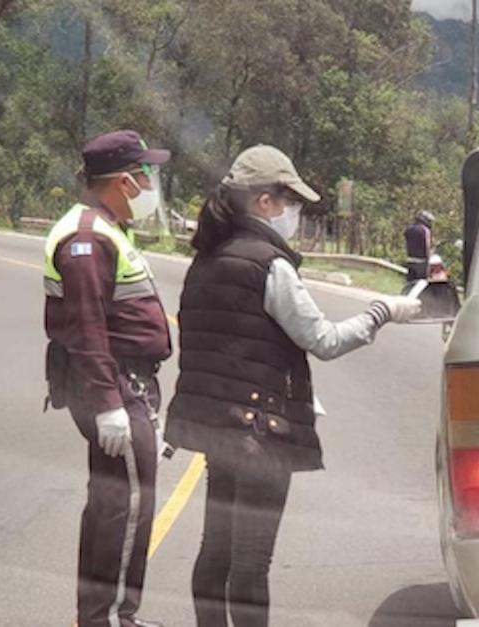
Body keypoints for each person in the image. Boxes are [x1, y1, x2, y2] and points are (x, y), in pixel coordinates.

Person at [165, 145, 422, 627]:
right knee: (251, 561)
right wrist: (383, 311)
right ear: (265, 202)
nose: (294, 213)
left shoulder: (206, 258)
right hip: (261, 432)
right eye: (290, 201)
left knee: (214, 549)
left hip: (217, 428)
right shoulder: (269, 265)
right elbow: (322, 340)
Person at [43, 129, 172, 627]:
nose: (149, 183)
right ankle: (114, 617)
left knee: (110, 504)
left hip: (119, 382)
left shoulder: (104, 228)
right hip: (116, 384)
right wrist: (108, 404)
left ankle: (99, 616)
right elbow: (87, 326)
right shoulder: (87, 239)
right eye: (145, 174)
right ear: (124, 181)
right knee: (128, 507)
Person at [404, 210, 434, 282]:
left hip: (410, 259)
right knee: (421, 283)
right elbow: (427, 246)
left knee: (410, 282)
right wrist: (429, 259)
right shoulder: (425, 230)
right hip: (421, 261)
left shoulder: (409, 229)